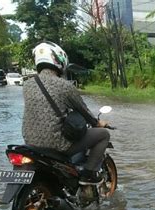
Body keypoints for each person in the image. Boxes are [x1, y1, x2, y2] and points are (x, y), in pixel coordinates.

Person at [22, 41, 110, 185]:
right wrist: (98, 123)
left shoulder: (27, 85)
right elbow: (83, 111)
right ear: (59, 60)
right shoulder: (64, 86)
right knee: (104, 135)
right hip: (57, 144)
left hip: (30, 143)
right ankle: (88, 175)